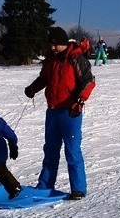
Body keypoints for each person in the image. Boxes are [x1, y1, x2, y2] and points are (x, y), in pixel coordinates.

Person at [24, 27, 96, 200]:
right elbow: (44, 79)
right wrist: (34, 87)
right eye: (51, 45)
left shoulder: (76, 59)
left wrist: (80, 100)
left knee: (72, 151)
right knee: (50, 151)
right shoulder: (51, 61)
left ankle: (78, 188)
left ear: (64, 44)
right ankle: (45, 185)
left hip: (71, 112)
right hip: (53, 112)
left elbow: (89, 81)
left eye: (56, 45)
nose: (53, 48)